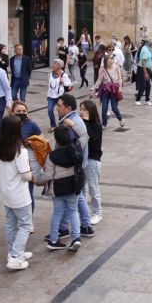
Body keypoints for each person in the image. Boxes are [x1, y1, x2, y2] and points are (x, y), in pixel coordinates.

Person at [33, 125, 84, 252]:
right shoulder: (76, 151)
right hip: (74, 186)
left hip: (58, 188)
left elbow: (48, 175)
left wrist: (38, 182)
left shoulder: (52, 156)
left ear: (56, 139)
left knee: (57, 214)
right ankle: (76, 238)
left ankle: (54, 240)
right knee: (73, 211)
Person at [0, 115, 33, 270]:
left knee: (11, 224)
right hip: (20, 195)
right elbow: (26, 176)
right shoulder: (20, 151)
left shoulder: (0, 146)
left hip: (6, 193)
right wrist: (33, 172)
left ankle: (13, 252)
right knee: (25, 225)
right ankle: (16, 256)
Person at [55, 93, 95, 238]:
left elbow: (83, 139)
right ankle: (85, 226)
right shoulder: (69, 120)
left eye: (59, 106)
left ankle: (65, 229)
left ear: (68, 108)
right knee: (78, 196)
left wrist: (69, 154)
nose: (57, 108)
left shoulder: (74, 121)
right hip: (75, 164)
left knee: (70, 197)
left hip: (72, 166)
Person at [12, 100, 41, 209]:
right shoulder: (8, 124)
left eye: (24, 111)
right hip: (12, 163)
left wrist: (31, 143)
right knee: (14, 194)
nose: (21, 113)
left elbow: (42, 142)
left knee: (28, 192)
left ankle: (29, 216)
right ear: (12, 112)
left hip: (27, 165)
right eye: (18, 111)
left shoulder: (32, 124)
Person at [80, 100, 103, 224]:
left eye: (84, 109)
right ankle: (84, 213)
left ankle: (97, 213)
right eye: (81, 109)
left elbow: (92, 140)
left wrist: (86, 122)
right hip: (81, 160)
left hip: (92, 159)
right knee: (81, 188)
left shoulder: (96, 125)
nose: (82, 112)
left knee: (93, 187)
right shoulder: (81, 123)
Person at [94, 54, 125, 129]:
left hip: (114, 90)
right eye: (110, 59)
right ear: (106, 60)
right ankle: (104, 124)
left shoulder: (116, 67)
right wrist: (94, 88)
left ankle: (120, 118)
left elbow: (120, 78)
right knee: (104, 108)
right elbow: (99, 80)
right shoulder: (103, 69)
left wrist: (120, 88)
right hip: (105, 90)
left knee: (114, 108)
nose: (111, 60)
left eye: (112, 58)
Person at [46, 58, 73, 129]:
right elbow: (49, 86)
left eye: (56, 64)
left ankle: (61, 125)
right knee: (49, 110)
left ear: (60, 66)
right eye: (54, 63)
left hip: (59, 96)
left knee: (60, 112)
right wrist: (48, 95)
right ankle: (53, 125)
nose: (54, 65)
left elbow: (70, 83)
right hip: (51, 96)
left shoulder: (63, 75)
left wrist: (63, 82)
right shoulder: (50, 74)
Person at [134, 39, 152, 106]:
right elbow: (143, 62)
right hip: (142, 69)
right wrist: (145, 73)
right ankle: (137, 100)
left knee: (148, 85)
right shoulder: (145, 50)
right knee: (143, 85)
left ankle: (147, 99)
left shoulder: (148, 49)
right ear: (149, 43)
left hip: (147, 69)